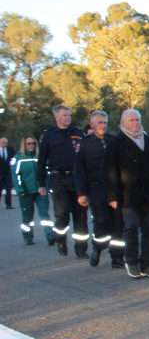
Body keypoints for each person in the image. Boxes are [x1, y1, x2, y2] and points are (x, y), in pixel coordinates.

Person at [108, 109, 149, 279]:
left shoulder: (148, 141)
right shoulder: (116, 143)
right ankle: (132, 262)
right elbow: (110, 171)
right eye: (132, 120)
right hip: (127, 195)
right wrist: (111, 196)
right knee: (131, 227)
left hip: (148, 194)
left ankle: (147, 264)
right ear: (124, 122)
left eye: (138, 120)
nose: (136, 123)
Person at [37, 105, 90, 257]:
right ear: (57, 117)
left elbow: (86, 155)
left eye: (69, 115)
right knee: (62, 213)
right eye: (65, 115)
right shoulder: (49, 135)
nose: (68, 118)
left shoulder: (78, 133)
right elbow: (41, 161)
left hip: (77, 178)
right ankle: (60, 239)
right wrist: (41, 183)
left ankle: (81, 249)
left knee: (81, 214)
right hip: (58, 178)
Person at [74, 111, 124, 268]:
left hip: (115, 188)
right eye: (100, 122)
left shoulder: (114, 140)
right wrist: (82, 193)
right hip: (96, 188)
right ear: (92, 124)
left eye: (105, 122)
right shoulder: (84, 144)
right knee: (101, 221)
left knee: (118, 224)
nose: (103, 125)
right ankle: (98, 247)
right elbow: (79, 170)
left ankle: (117, 257)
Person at [11, 136, 53, 245]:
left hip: (41, 191)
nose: (31, 145)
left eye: (33, 143)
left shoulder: (41, 157)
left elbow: (47, 173)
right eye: (28, 143)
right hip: (26, 192)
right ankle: (28, 237)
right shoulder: (18, 158)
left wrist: (47, 186)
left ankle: (50, 236)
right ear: (23, 145)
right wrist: (20, 190)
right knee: (27, 217)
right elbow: (15, 176)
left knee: (44, 214)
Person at [0, 137, 14, 209]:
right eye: (3, 142)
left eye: (6, 143)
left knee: (8, 190)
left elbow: (14, 158)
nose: (4, 144)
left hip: (8, 173)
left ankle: (8, 205)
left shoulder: (10, 149)